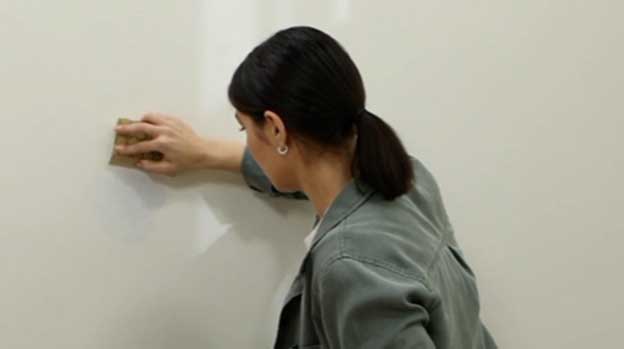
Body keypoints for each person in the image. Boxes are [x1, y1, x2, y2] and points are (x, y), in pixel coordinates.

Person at [114, 26, 497, 349]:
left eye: (244, 129)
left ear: (277, 129)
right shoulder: (407, 178)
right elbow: (306, 171)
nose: (246, 141)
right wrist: (203, 153)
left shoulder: (351, 265)